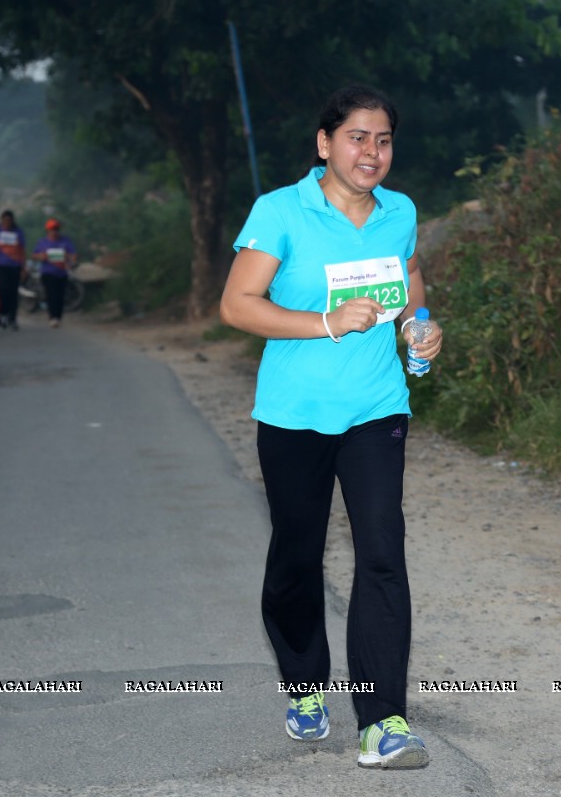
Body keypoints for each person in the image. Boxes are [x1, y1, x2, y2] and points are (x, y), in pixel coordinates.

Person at [220, 84, 442, 770]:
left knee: (382, 553)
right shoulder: (281, 211)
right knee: (297, 554)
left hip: (376, 409)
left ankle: (383, 719)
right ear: (325, 144)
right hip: (294, 415)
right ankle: (304, 685)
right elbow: (237, 304)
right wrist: (322, 323)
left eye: (382, 140)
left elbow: (408, 282)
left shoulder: (398, 211)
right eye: (356, 138)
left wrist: (419, 330)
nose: (371, 152)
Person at [32, 218, 77, 328]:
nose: (54, 231)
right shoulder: (42, 242)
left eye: (56, 229)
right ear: (47, 230)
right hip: (47, 273)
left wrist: (68, 257)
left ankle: (58, 317)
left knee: (60, 295)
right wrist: (41, 256)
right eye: (52, 229)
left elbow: (73, 256)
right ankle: (52, 317)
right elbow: (34, 255)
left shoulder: (65, 241)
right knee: (51, 295)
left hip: (62, 273)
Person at [0, 210, 25, 330]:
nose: (7, 222)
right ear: (2, 220)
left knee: (13, 293)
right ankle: (2, 314)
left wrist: (23, 267)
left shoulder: (18, 232)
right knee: (2, 290)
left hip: (15, 266)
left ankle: (12, 318)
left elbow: (22, 250)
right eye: (5, 220)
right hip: (1, 266)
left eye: (9, 220)